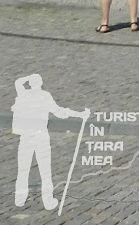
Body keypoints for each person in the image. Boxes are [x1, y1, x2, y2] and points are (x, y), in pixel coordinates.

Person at [12, 75, 88, 212]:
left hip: (26, 136)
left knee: (23, 169)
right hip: (41, 136)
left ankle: (19, 199)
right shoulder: (44, 96)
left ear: (30, 84)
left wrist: (28, 77)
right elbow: (60, 112)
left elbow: (18, 82)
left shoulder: (24, 93)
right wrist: (80, 114)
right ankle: (48, 201)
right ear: (40, 83)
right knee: (45, 171)